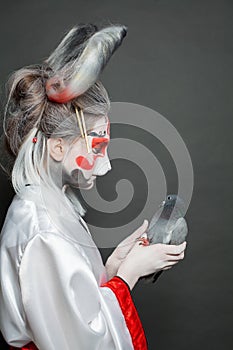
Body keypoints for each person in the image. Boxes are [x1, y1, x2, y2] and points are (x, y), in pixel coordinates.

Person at [0, 23, 187, 350]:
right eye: (97, 147)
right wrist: (127, 278)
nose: (107, 163)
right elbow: (80, 340)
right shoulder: (43, 231)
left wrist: (116, 265)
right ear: (58, 148)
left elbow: (74, 303)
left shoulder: (52, 202)